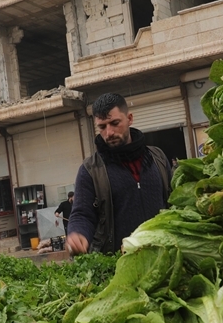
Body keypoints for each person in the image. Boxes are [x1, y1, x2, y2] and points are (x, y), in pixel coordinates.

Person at [67, 93, 172, 254]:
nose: (109, 133)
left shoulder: (158, 158)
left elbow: (173, 201)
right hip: (117, 265)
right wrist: (78, 233)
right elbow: (82, 214)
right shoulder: (91, 170)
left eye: (115, 123)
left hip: (162, 257)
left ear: (129, 118)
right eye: (102, 127)